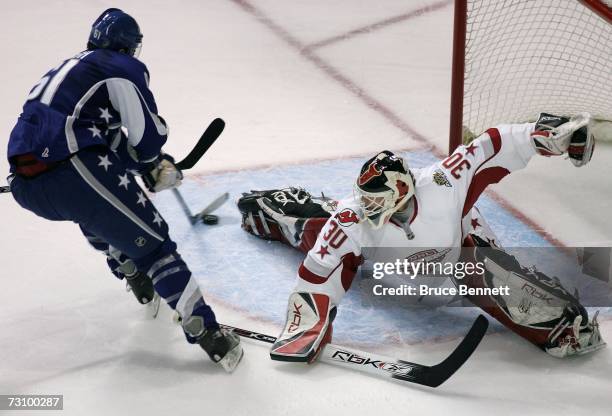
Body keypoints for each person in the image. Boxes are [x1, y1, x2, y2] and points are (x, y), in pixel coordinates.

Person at [237, 112, 605, 361]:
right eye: (363, 198)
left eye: (376, 200)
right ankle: (284, 208)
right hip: (395, 262)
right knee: (315, 228)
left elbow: (492, 144)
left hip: (460, 249)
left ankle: (556, 321)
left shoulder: (443, 183)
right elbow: (318, 274)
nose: (367, 208)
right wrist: (306, 327)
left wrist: (549, 135)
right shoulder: (355, 217)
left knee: (516, 295)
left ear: (401, 191)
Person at [6, 8, 242, 372]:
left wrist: (144, 166)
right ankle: (209, 334)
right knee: (158, 246)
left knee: (97, 213)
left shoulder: (70, 70)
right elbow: (147, 136)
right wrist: (153, 162)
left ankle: (129, 266)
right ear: (129, 45)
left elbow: (106, 140)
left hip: (27, 186)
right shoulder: (121, 67)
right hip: (75, 174)